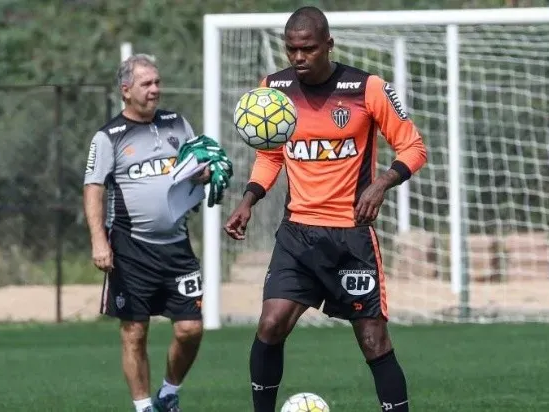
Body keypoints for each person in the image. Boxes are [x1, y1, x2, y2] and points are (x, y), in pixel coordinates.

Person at [224, 6, 427, 412]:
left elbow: (414, 148)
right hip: (297, 233)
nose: (299, 57)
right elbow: (271, 156)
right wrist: (248, 199)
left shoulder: (367, 88)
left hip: (350, 236)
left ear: (328, 45)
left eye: (308, 49)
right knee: (270, 324)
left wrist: (381, 184)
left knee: (373, 340)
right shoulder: (274, 90)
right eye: (292, 49)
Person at [83, 53, 213, 412]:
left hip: (177, 247)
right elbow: (93, 187)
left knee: (190, 329)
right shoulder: (108, 137)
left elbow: (195, 167)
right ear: (126, 90)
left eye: (157, 82)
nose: (156, 89)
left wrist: (204, 172)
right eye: (147, 84)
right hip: (130, 249)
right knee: (135, 332)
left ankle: (169, 393)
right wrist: (98, 240)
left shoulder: (177, 123)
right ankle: (144, 408)